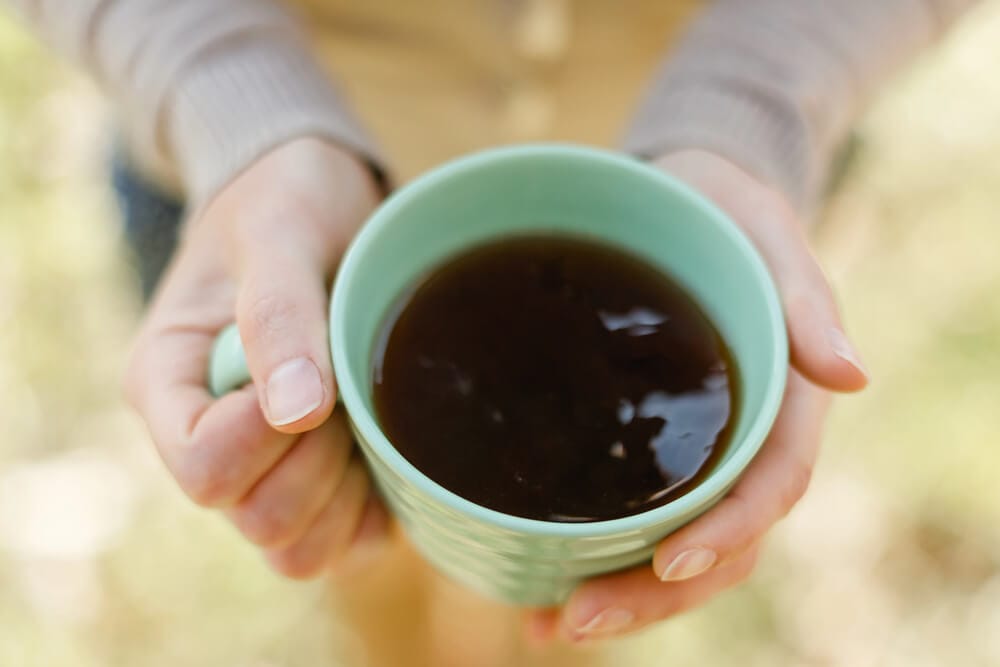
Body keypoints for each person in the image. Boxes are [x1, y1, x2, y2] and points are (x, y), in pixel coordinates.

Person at [6, 1, 977, 664]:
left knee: (574, 617)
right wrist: (225, 95)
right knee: (354, 537)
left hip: (730, 173)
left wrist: (756, 97)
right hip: (265, 212)